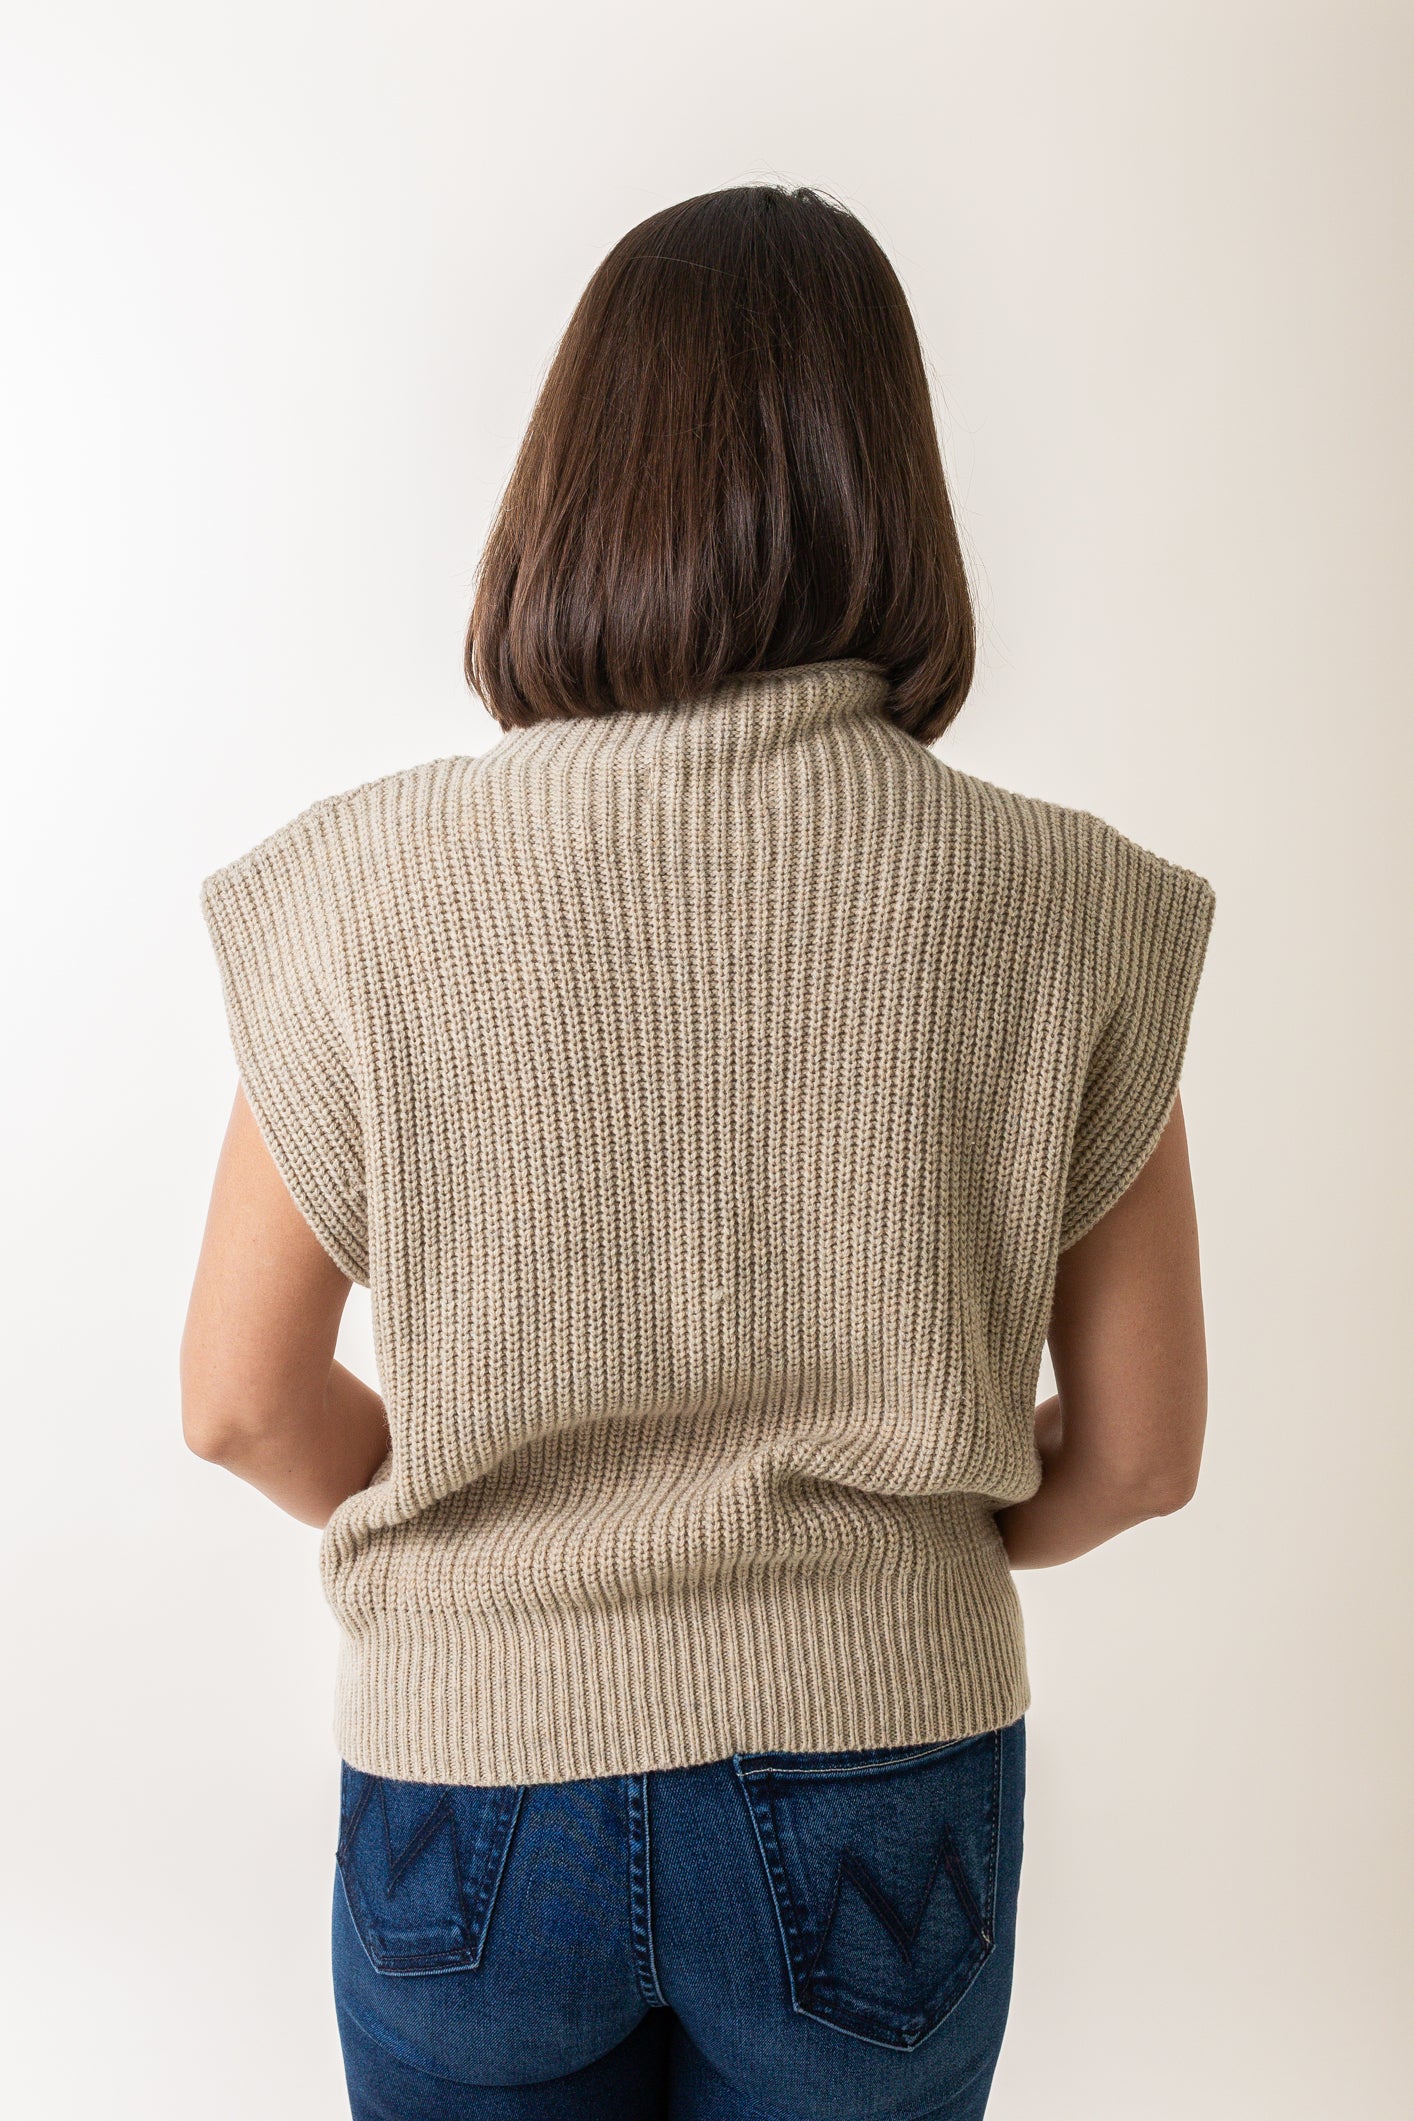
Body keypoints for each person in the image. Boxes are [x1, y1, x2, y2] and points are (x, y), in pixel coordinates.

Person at [181, 184, 1215, 2121]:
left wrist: (483, 1532)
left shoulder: (358, 892)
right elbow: (1142, 1451)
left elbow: (238, 1402)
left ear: (567, 483)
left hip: (470, 1775)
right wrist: (892, 1550)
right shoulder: (1067, 904)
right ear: (891, 487)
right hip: (880, 1772)